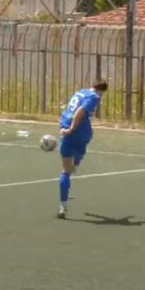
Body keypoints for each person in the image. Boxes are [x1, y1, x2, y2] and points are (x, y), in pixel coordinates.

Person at [57, 78, 108, 219]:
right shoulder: (94, 97)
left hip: (65, 127)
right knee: (82, 147)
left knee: (65, 171)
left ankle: (63, 206)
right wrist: (72, 129)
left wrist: (64, 128)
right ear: (102, 90)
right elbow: (80, 111)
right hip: (79, 130)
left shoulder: (80, 92)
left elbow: (70, 109)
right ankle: (77, 161)